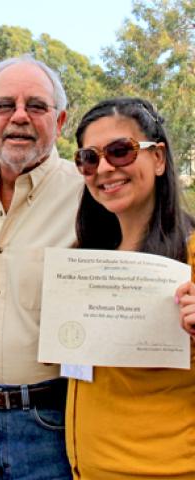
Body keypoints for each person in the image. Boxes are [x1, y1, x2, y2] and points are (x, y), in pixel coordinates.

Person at [0, 55, 83, 478]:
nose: (19, 117)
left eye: (36, 106)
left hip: (50, 423)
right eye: (5, 105)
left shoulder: (89, 196)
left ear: (59, 121)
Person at [66, 97, 195, 479]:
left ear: (158, 159)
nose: (104, 168)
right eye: (89, 158)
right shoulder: (89, 259)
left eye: (121, 151)